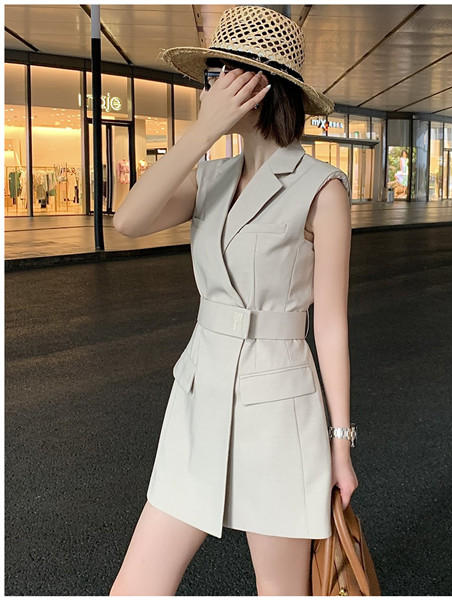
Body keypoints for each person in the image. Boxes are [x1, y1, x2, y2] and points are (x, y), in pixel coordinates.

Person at [110, 5, 358, 597]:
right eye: (210, 74)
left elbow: (330, 328)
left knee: (281, 590)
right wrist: (201, 133)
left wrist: (340, 443)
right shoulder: (209, 177)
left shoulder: (321, 188)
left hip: (279, 407)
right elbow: (127, 221)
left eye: (220, 72)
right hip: (200, 393)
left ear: (259, 85)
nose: (210, 87)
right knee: (135, 587)